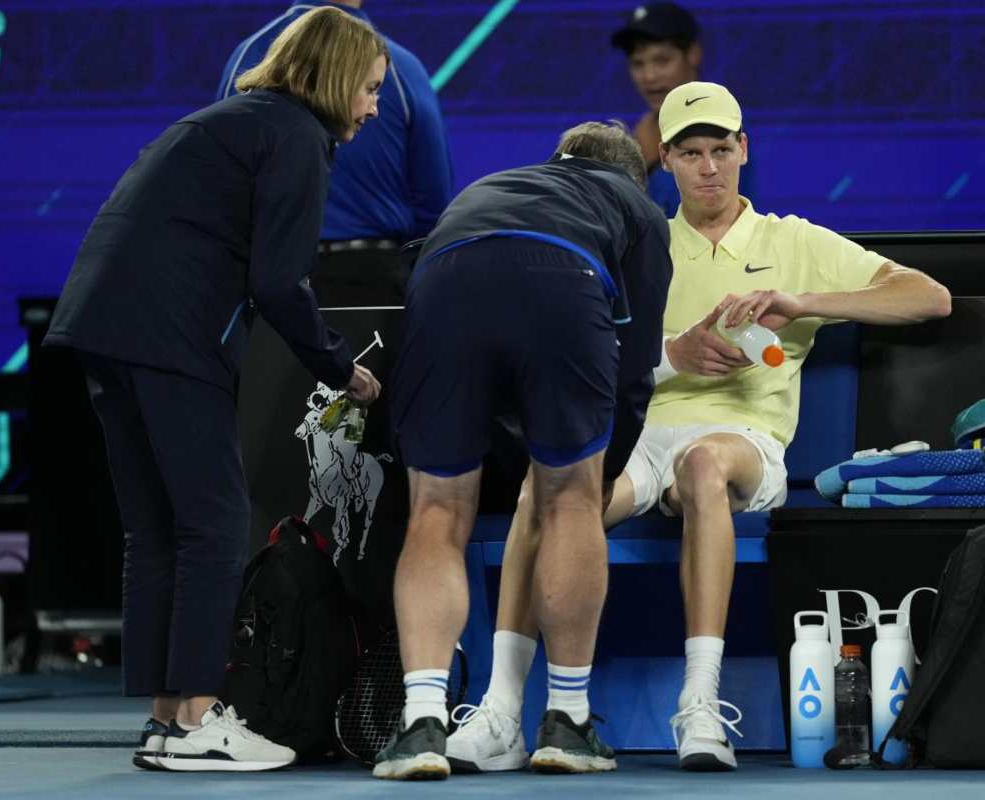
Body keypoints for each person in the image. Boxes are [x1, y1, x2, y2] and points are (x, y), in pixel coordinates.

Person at [449, 81, 952, 773]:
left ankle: (701, 704)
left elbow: (929, 297)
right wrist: (670, 356)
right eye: (690, 153)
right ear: (667, 161)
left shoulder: (793, 239)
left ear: (744, 150)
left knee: (704, 465)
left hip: (740, 445)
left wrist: (799, 301)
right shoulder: (637, 236)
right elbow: (585, 355)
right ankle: (503, 709)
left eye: (721, 149)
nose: (709, 167)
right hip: (638, 439)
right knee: (551, 476)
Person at [43, 7, 385, 772]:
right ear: (333, 78)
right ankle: (200, 719)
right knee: (214, 524)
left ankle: (166, 719)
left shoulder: (229, 119)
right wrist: (341, 367)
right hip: (171, 335)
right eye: (367, 89)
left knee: (158, 529)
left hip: (102, 328)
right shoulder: (297, 136)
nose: (370, 108)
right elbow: (279, 282)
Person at [373, 121, 673, 780]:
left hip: (443, 281)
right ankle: (566, 722)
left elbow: (414, 267)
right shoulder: (640, 209)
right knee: (569, 501)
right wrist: (604, 465)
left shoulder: (490, 185)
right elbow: (637, 367)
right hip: (563, 277)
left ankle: (420, 722)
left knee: (435, 511)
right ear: (634, 176)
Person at [219, 0, 454, 305]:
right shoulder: (400, 68)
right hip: (369, 281)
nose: (373, 109)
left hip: (266, 281)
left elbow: (222, 195)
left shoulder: (246, 60)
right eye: (370, 91)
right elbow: (433, 204)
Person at [610, 1, 749, 216]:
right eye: (638, 64)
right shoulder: (639, 135)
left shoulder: (728, 126)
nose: (649, 76)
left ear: (693, 54)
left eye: (662, 60)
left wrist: (648, 170)